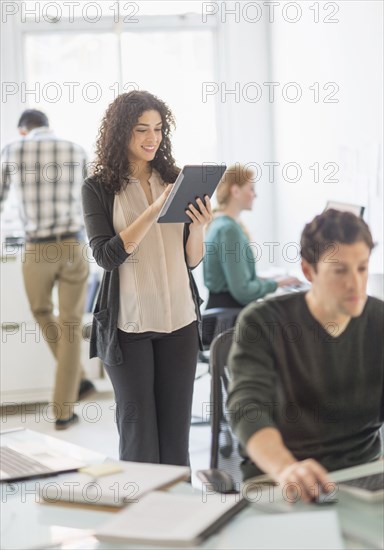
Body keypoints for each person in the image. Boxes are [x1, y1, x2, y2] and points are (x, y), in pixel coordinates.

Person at [82, 90, 212, 465]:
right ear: (121, 133)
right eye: (142, 130)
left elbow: (190, 259)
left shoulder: (175, 179)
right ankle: (141, 519)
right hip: (128, 328)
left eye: (158, 129)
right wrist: (156, 208)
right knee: (140, 440)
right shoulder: (98, 188)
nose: (152, 137)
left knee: (175, 442)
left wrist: (200, 228)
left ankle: (180, 520)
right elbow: (107, 256)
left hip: (179, 322)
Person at [227, 209, 384, 502]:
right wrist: (285, 468)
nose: (355, 284)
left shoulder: (379, 320)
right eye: (339, 271)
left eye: (362, 268)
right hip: (280, 477)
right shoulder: (263, 322)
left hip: (362, 474)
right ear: (309, 271)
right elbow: (247, 407)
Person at [0, 109, 95, 430]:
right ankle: (71, 393)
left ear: (23, 130)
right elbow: (92, 199)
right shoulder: (76, 149)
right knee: (70, 325)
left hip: (35, 248)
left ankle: (67, 398)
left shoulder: (12, 149)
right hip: (72, 245)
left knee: (41, 311)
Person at [203, 164, 300, 309]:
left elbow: (237, 279)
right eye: (251, 189)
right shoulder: (229, 230)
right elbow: (243, 290)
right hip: (228, 318)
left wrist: (271, 280)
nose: (255, 195)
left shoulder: (218, 223)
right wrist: (277, 284)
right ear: (235, 191)